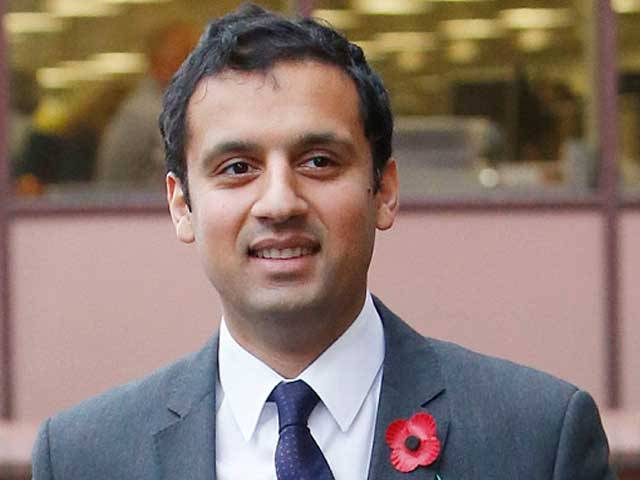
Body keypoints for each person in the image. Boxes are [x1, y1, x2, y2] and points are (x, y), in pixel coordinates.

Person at [32, 5, 614, 479]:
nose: (279, 202)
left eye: (318, 161)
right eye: (237, 168)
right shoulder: (84, 457)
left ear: (384, 190)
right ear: (182, 205)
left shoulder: (537, 439)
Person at [94, 22, 197, 186]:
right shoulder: (146, 113)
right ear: (159, 62)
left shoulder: (165, 106)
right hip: (134, 200)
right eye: (187, 56)